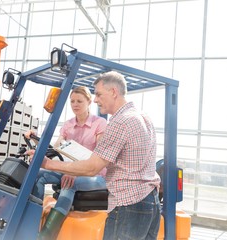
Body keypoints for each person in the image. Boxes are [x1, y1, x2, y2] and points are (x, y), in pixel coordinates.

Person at [27, 71, 161, 240]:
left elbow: (92, 167)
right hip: (150, 201)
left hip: (128, 203)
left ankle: (44, 235)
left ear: (113, 92)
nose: (96, 99)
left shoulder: (120, 121)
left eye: (98, 94)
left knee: (68, 185)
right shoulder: (143, 116)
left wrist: (47, 164)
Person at [25, 86, 107, 240]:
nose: (75, 104)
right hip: (72, 170)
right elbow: (55, 150)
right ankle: (32, 222)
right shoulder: (68, 125)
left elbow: (100, 157)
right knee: (38, 175)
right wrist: (37, 140)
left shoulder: (99, 123)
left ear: (89, 101)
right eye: (72, 101)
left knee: (69, 183)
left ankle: (46, 236)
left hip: (96, 174)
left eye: (79, 101)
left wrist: (74, 172)